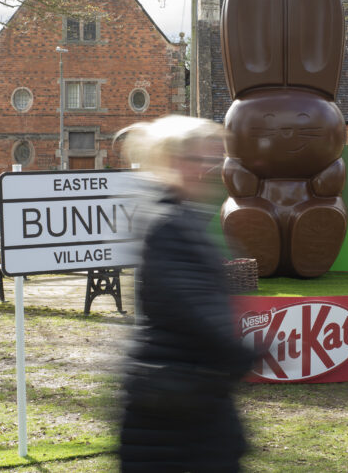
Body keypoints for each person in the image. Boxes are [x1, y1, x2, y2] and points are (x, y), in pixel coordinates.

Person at [117, 116, 255, 472]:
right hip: (173, 408)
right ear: (174, 162)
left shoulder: (183, 218)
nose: (210, 169)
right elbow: (192, 306)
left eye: (215, 159)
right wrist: (245, 351)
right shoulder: (169, 225)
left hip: (188, 403)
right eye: (200, 159)